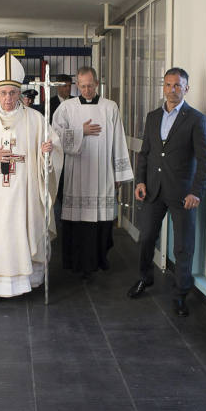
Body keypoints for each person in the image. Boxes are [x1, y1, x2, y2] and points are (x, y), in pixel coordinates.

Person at [0, 52, 62, 303]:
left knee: (26, 231)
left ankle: (27, 282)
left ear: (19, 93)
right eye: (3, 93)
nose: (8, 98)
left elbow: (51, 151)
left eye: (13, 93)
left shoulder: (35, 120)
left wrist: (46, 154)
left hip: (25, 193)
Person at [127, 67, 206, 317]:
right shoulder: (153, 116)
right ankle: (145, 278)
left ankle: (180, 295)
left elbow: (204, 159)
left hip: (183, 194)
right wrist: (140, 181)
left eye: (177, 85)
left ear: (187, 88)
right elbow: (146, 153)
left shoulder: (196, 119)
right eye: (168, 85)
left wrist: (196, 191)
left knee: (183, 247)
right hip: (153, 190)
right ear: (162, 87)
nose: (172, 90)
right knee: (146, 239)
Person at [51, 66, 132, 279]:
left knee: (100, 221)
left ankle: (99, 260)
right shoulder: (67, 108)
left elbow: (119, 140)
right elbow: (55, 137)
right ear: (77, 85)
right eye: (82, 86)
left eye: (90, 85)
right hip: (76, 173)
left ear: (97, 83)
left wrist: (119, 173)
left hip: (103, 172)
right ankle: (76, 262)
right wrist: (81, 132)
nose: (86, 90)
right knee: (76, 222)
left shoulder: (110, 107)